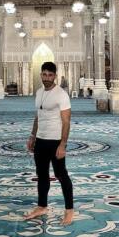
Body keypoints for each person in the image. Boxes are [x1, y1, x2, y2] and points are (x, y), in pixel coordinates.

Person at [25, 61, 74, 225]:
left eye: (50, 75)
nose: (47, 78)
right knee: (42, 175)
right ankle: (42, 206)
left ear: (55, 76)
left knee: (61, 175)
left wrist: (62, 145)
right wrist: (32, 136)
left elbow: (66, 122)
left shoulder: (61, 94)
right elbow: (38, 116)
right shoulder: (39, 92)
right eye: (44, 74)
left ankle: (69, 210)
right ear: (41, 74)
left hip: (55, 141)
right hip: (40, 140)